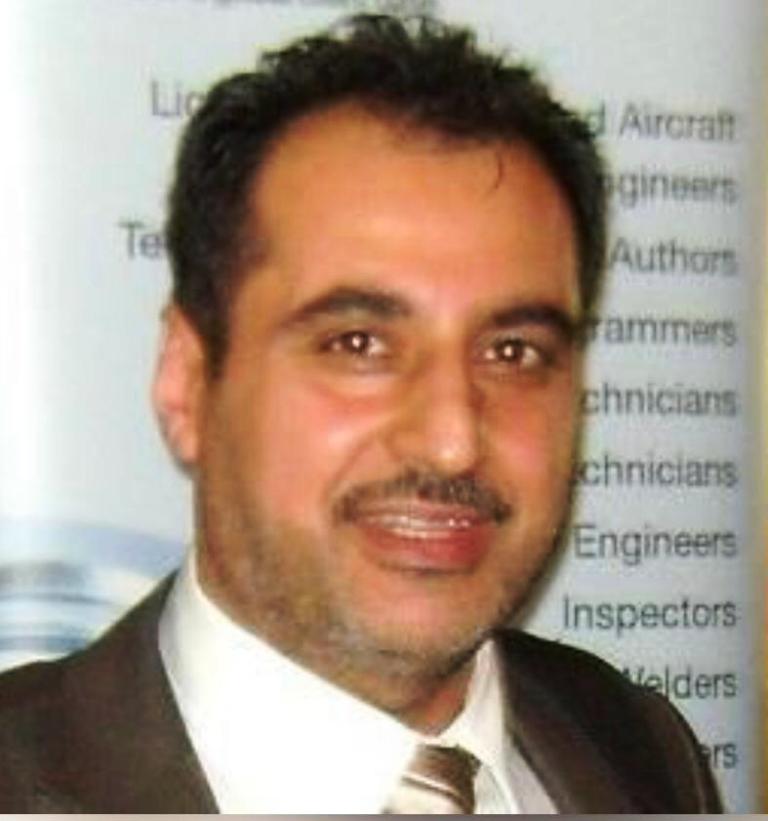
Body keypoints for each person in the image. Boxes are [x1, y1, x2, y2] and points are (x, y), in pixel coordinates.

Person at [0, 14, 721, 813]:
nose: (451, 441)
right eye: (358, 344)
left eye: (512, 351)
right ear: (187, 380)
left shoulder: (641, 748)